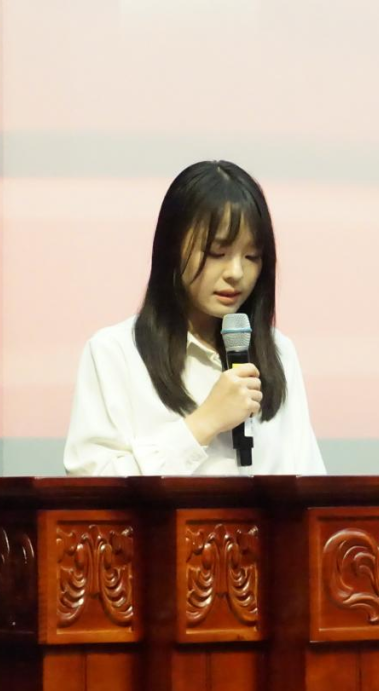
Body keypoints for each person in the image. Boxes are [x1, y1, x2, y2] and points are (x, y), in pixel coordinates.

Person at [63, 160, 326, 476]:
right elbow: (90, 484)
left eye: (252, 256)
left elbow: (308, 479)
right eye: (217, 253)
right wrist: (204, 423)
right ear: (173, 249)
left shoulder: (279, 352)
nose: (236, 273)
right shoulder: (115, 353)